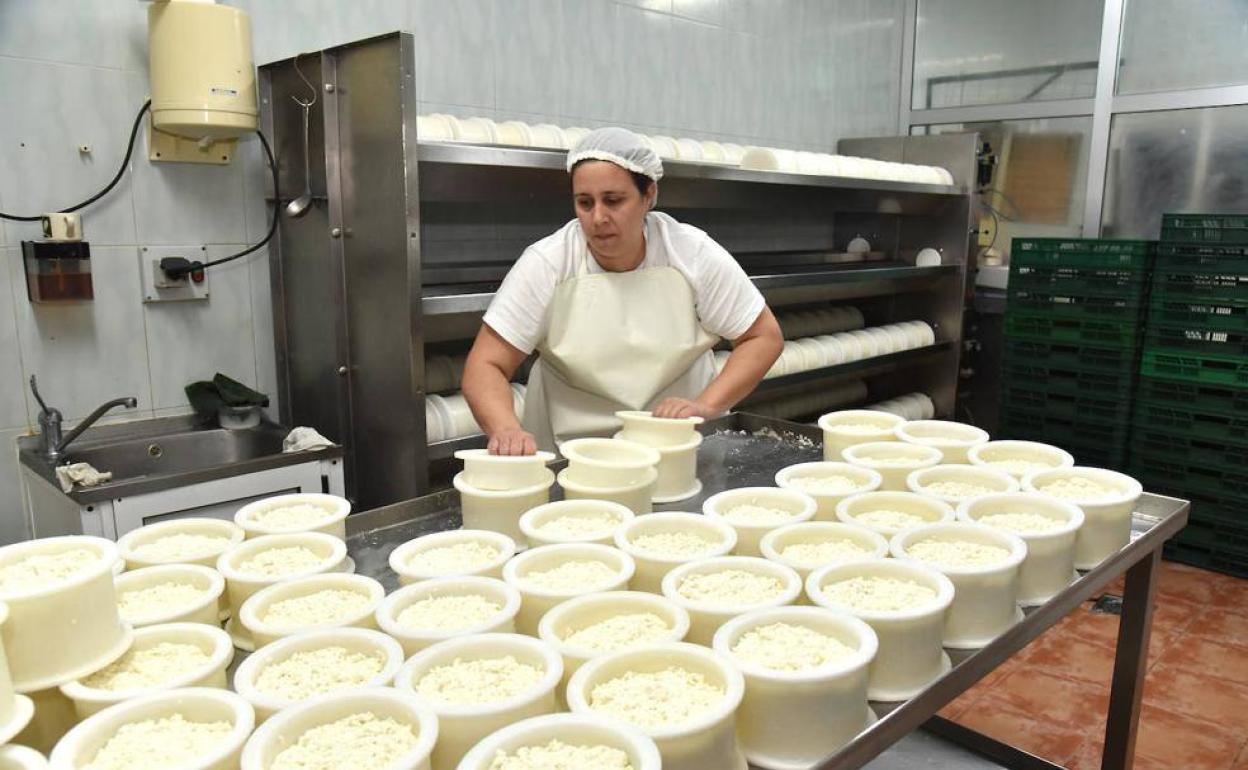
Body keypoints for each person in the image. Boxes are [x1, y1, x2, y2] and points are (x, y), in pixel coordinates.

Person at [462, 127, 783, 455]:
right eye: (585, 203)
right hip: (574, 452)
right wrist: (505, 429)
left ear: (649, 196)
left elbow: (762, 337)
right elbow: (486, 364)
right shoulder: (549, 263)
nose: (598, 217)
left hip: (680, 442)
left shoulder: (690, 252)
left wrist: (706, 406)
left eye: (613, 201)